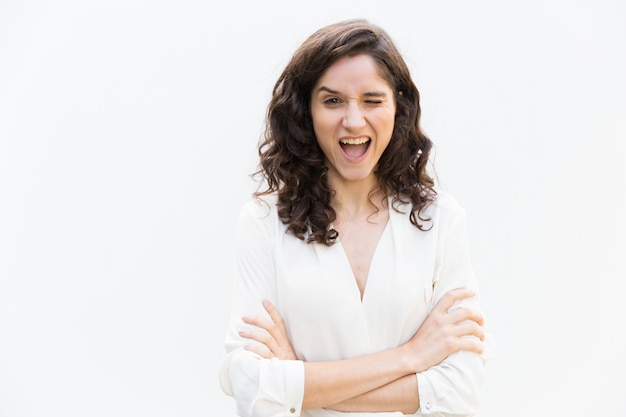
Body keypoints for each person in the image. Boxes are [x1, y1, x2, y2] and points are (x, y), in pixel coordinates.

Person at [219, 18, 491, 417]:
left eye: (371, 100)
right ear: (306, 111)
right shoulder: (263, 222)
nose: (353, 120)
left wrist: (298, 381)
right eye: (332, 101)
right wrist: (412, 357)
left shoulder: (441, 219)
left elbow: (461, 390)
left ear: (397, 106)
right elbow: (251, 387)